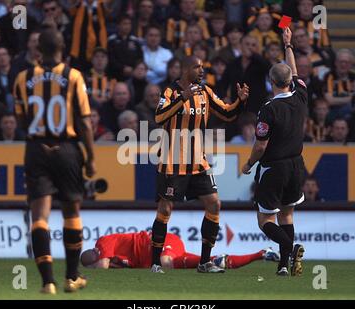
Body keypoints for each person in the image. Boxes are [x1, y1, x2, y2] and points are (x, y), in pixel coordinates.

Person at [13, 28, 96, 294]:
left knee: (40, 216)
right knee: (71, 211)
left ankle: (47, 281)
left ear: (38, 50)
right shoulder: (73, 77)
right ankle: (72, 277)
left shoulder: (22, 78)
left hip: (37, 148)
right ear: (64, 49)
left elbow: (20, 119)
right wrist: (91, 156)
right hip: (67, 148)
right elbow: (84, 121)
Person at [151, 55, 249, 274]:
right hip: (172, 161)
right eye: (197, 67)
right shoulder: (170, 92)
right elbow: (159, 117)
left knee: (214, 204)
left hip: (198, 161)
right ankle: (155, 262)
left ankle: (205, 262)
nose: (202, 71)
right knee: (165, 208)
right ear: (185, 69)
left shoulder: (205, 92)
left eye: (202, 67)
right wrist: (182, 98)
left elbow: (227, 113)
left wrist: (240, 102)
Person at [242, 28, 306, 277]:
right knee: (287, 215)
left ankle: (289, 249)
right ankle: (283, 266)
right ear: (290, 81)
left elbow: (260, 146)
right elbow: (295, 72)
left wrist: (248, 164)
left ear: (271, 82)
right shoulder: (301, 94)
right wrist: (287, 45)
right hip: (296, 165)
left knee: (265, 220)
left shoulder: (268, 108)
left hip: (274, 167)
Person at [80, 231, 280, 269]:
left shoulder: (103, 242)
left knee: (166, 262)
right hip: (159, 256)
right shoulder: (112, 258)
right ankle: (261, 253)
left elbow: (103, 265)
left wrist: (93, 271)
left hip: (160, 242)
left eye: (93, 266)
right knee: (210, 262)